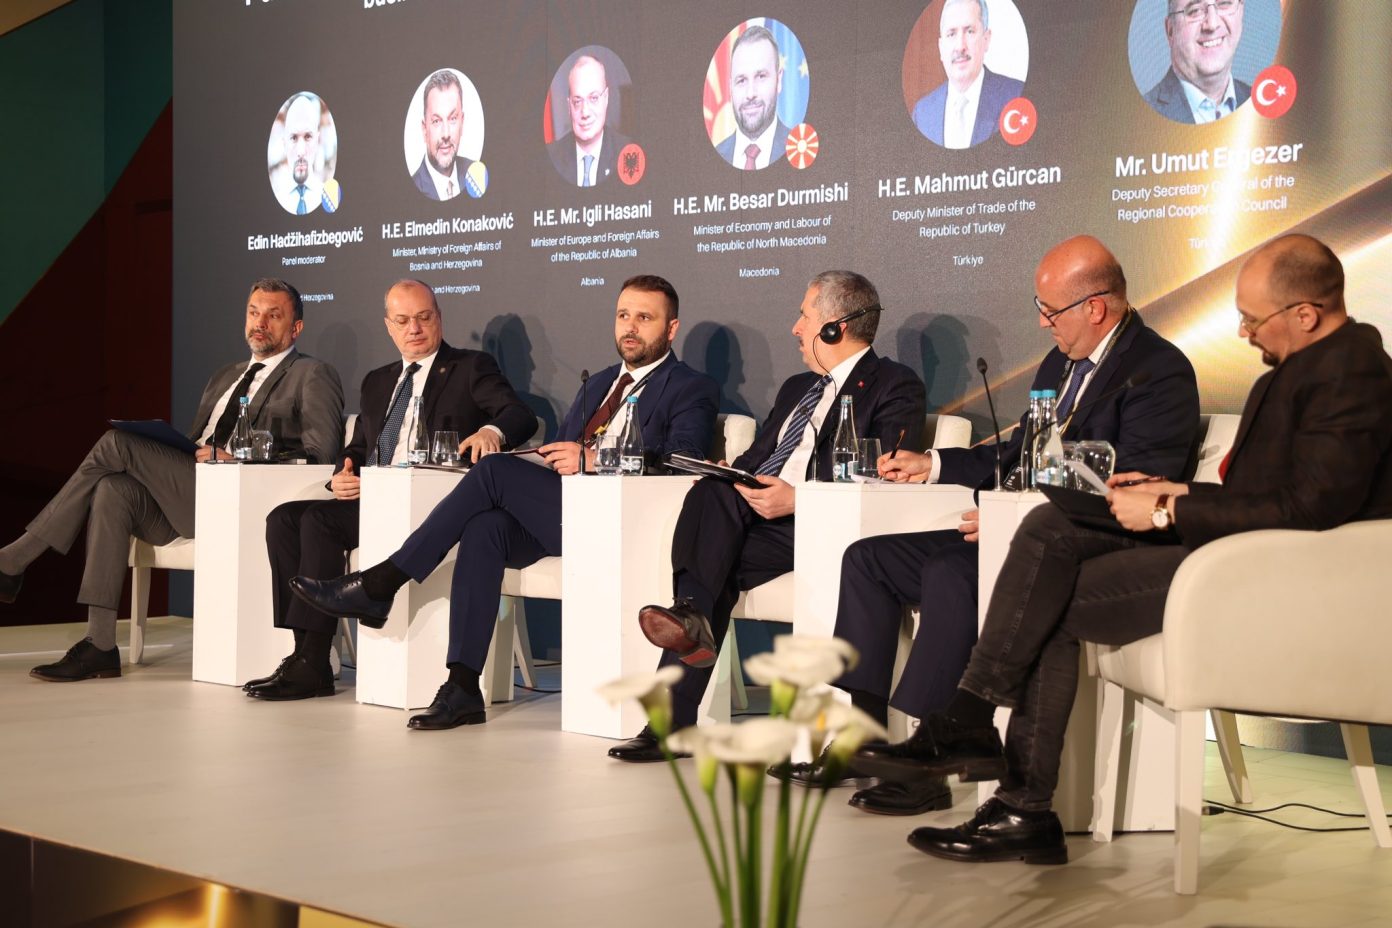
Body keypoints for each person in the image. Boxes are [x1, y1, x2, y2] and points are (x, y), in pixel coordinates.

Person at [859, 234, 1392, 865]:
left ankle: (983, 745)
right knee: (1047, 565)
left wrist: (1170, 508)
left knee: (1045, 563)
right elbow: (1273, 493)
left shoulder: (1351, 373)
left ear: (1304, 314)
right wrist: (1177, 489)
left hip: (1269, 578)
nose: (1243, 333)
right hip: (1238, 556)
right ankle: (1013, 794)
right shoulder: (1311, 366)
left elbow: (1310, 509)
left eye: (1252, 320)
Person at [823, 235, 1199, 816]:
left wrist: (1019, 514)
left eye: (1050, 310)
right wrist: (935, 464)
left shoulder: (1157, 370)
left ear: (1095, 308)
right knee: (869, 559)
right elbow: (1019, 454)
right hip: (1017, 529)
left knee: (951, 569)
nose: (1043, 322)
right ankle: (862, 733)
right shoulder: (1060, 364)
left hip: (1085, 545)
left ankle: (932, 757)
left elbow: (1140, 480)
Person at [289, 275, 720, 729]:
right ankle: (462, 686)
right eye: (623, 315)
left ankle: (383, 582)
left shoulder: (690, 386)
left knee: (493, 470)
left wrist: (597, 459)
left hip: (623, 518)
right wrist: (546, 457)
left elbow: (683, 459)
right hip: (566, 510)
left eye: (645, 318)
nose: (630, 327)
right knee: (485, 529)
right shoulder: (598, 384)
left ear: (671, 328)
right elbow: (560, 450)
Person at [609, 271, 927, 762]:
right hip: (759, 516)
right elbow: (756, 459)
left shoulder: (895, 385)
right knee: (711, 494)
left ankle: (676, 698)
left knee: (711, 569)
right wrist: (725, 474)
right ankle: (689, 616)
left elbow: (878, 472)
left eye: (804, 316)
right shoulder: (799, 386)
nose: (795, 328)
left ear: (835, 327)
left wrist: (800, 499)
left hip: (821, 524)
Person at [6, 279, 345, 681]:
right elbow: (197, 442)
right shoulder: (225, 376)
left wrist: (240, 457)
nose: (260, 323)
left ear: (296, 327)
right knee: (113, 489)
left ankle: (15, 558)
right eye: (254, 312)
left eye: (274, 315)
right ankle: (100, 644)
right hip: (191, 492)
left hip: (241, 498)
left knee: (116, 443)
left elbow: (322, 455)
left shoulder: (312, 373)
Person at [245, 280, 537, 701]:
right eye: (402, 321)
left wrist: (492, 430)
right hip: (377, 499)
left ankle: (312, 660)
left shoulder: (470, 367)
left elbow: (519, 415)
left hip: (434, 504)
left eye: (423, 318)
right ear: (388, 326)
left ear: (439, 318)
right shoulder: (378, 381)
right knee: (284, 518)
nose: (413, 329)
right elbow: (360, 447)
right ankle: (304, 652)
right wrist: (343, 472)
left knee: (318, 521)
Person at [911, 0, 1024, 148]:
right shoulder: (922, 113)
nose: (960, 46)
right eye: (951, 34)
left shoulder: (1017, 97)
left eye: (969, 31)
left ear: (986, 39)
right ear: (941, 47)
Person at [1143, 0, 1249, 124]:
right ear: (1170, 30)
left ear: (1241, 11)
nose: (1212, 24)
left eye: (1224, 3)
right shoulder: (1141, 120)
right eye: (1195, 11)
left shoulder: (1262, 106)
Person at [547, 55, 631, 187]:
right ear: (569, 106)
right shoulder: (551, 156)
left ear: (606, 98)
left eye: (593, 98)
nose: (585, 112)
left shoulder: (628, 152)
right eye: (577, 101)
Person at [715, 26, 790, 170]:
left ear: (778, 80)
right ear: (730, 88)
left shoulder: (799, 148)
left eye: (761, 76)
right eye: (741, 80)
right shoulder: (713, 157)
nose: (750, 94)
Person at [275, 93, 341, 214]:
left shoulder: (329, 200)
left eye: (308, 137)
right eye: (293, 138)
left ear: (317, 140)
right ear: (284, 143)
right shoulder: (276, 200)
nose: (301, 152)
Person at [412, 70, 473, 201]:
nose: (446, 134)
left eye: (453, 119)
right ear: (424, 129)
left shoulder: (476, 175)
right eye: (436, 121)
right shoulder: (411, 189)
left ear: (462, 123)